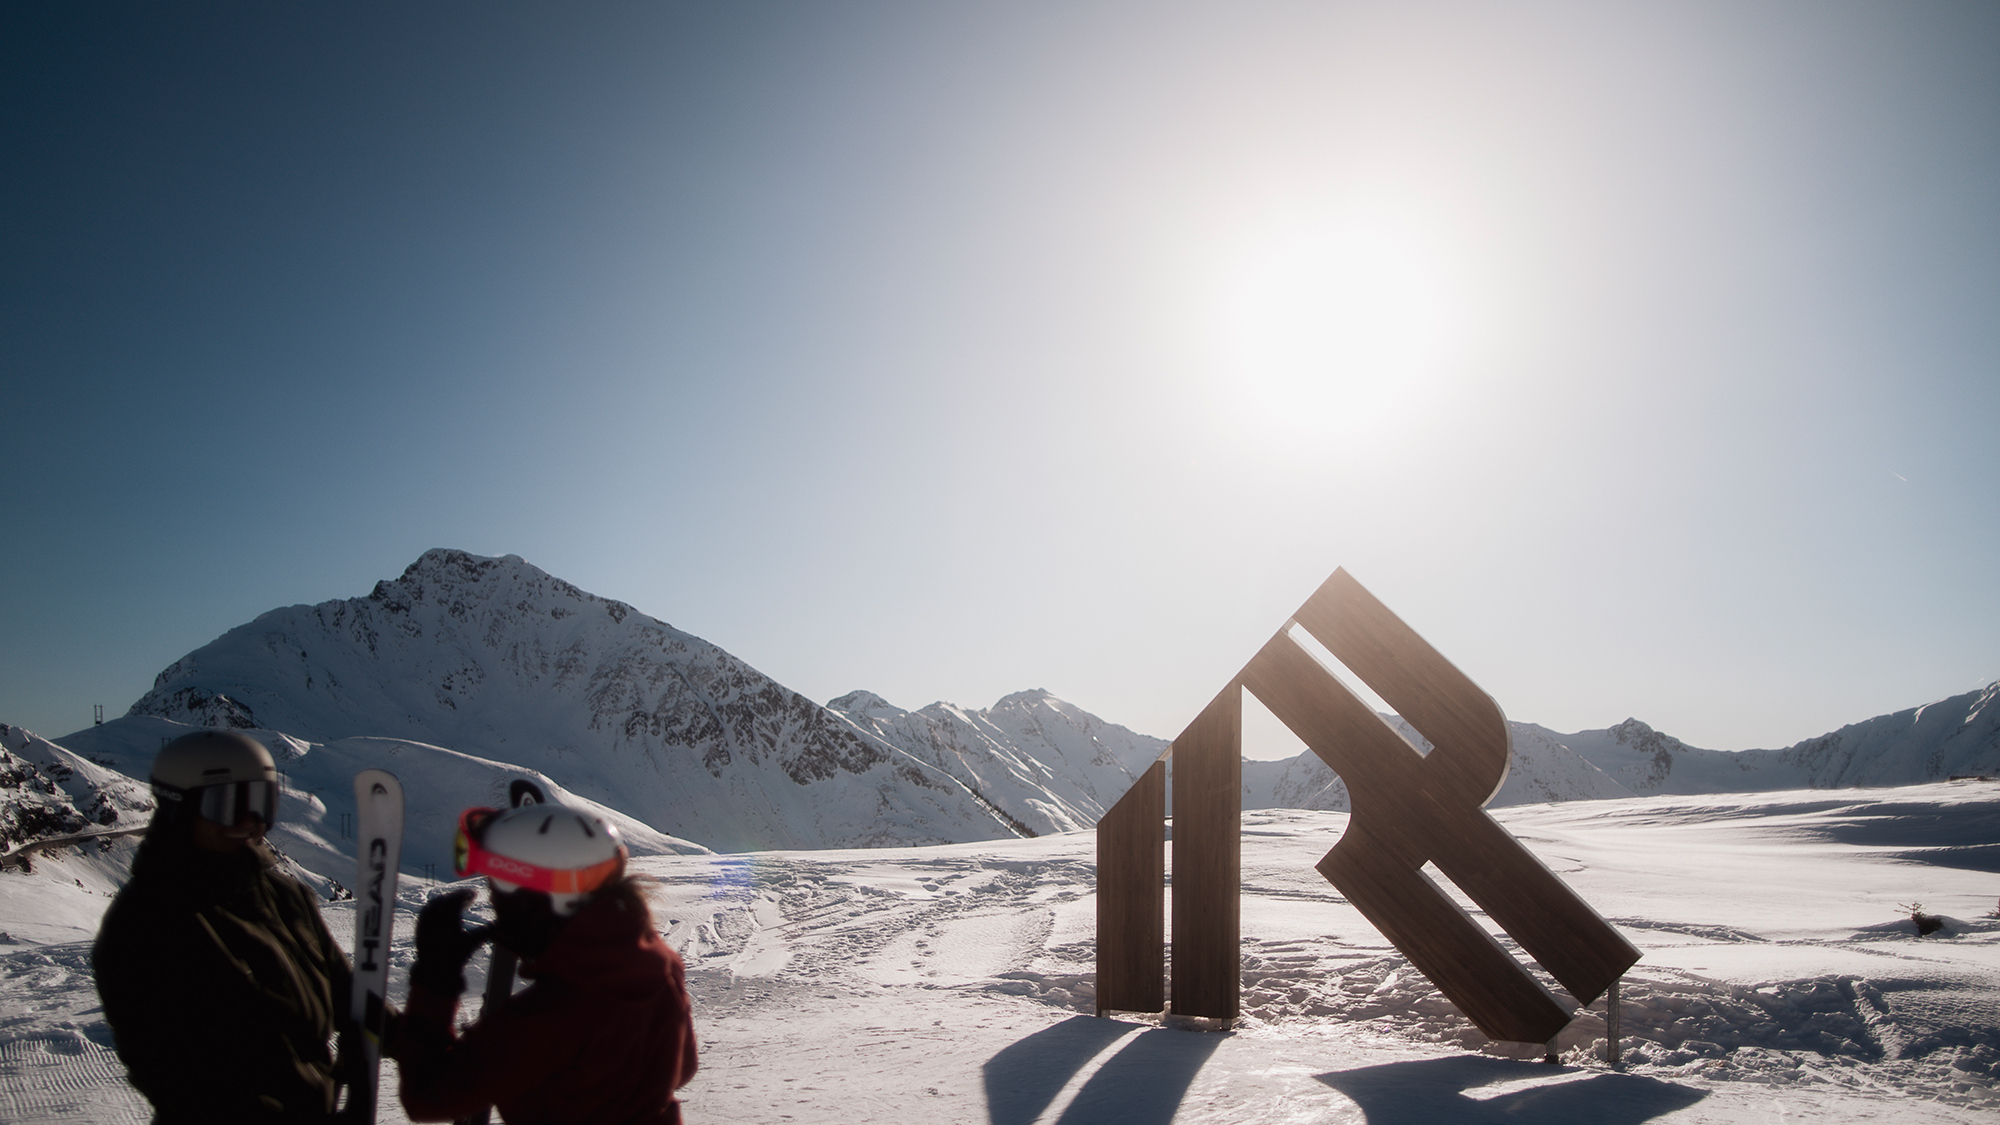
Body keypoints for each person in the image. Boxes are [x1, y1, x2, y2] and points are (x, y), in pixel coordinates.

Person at [93, 729, 356, 1122]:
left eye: (261, 803)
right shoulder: (143, 928)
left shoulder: (285, 896)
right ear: (178, 809)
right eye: (229, 805)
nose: (250, 822)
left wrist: (414, 1034)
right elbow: (178, 1079)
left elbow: (347, 996)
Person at [393, 803, 698, 1124]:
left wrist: (434, 982)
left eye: (499, 895)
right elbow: (683, 1067)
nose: (497, 909)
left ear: (532, 901)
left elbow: (426, 1097)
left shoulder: (546, 1014)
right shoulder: (659, 962)